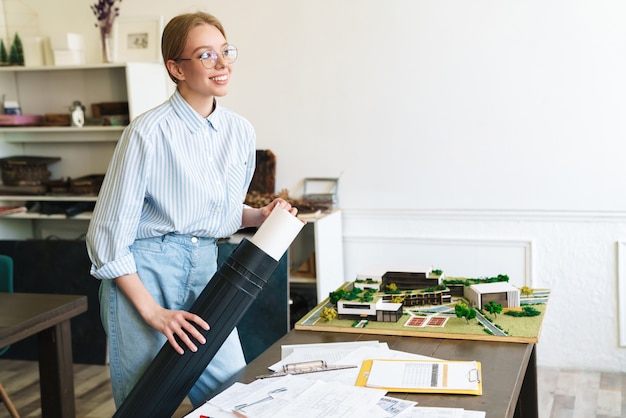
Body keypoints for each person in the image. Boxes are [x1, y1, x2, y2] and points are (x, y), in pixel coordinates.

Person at [86, 11, 298, 408]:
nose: (222, 64)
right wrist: (153, 313)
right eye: (205, 55)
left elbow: (217, 212)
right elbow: (106, 238)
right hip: (145, 274)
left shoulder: (240, 132)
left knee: (233, 397)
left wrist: (257, 216)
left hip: (206, 267)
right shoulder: (146, 133)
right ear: (176, 68)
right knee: (144, 404)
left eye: (225, 51)